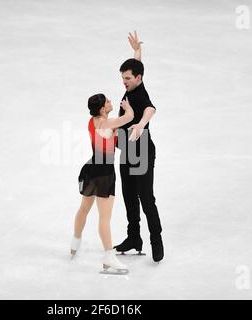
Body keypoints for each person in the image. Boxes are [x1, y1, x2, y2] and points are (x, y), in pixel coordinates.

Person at [114, 31, 164, 263]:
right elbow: (138, 66)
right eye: (123, 78)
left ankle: (156, 238)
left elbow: (150, 109)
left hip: (142, 152)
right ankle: (134, 237)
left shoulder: (141, 95)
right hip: (127, 151)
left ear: (138, 79)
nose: (123, 81)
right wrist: (137, 51)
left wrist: (141, 125)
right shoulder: (133, 86)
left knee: (145, 197)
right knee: (129, 197)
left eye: (127, 78)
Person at [70, 93, 134, 275]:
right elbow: (129, 117)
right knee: (104, 217)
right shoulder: (106, 123)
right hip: (104, 173)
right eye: (107, 101)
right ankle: (108, 256)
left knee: (84, 208)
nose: (110, 102)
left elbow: (107, 136)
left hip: (92, 168)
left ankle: (75, 243)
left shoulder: (93, 121)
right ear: (102, 109)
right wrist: (127, 105)